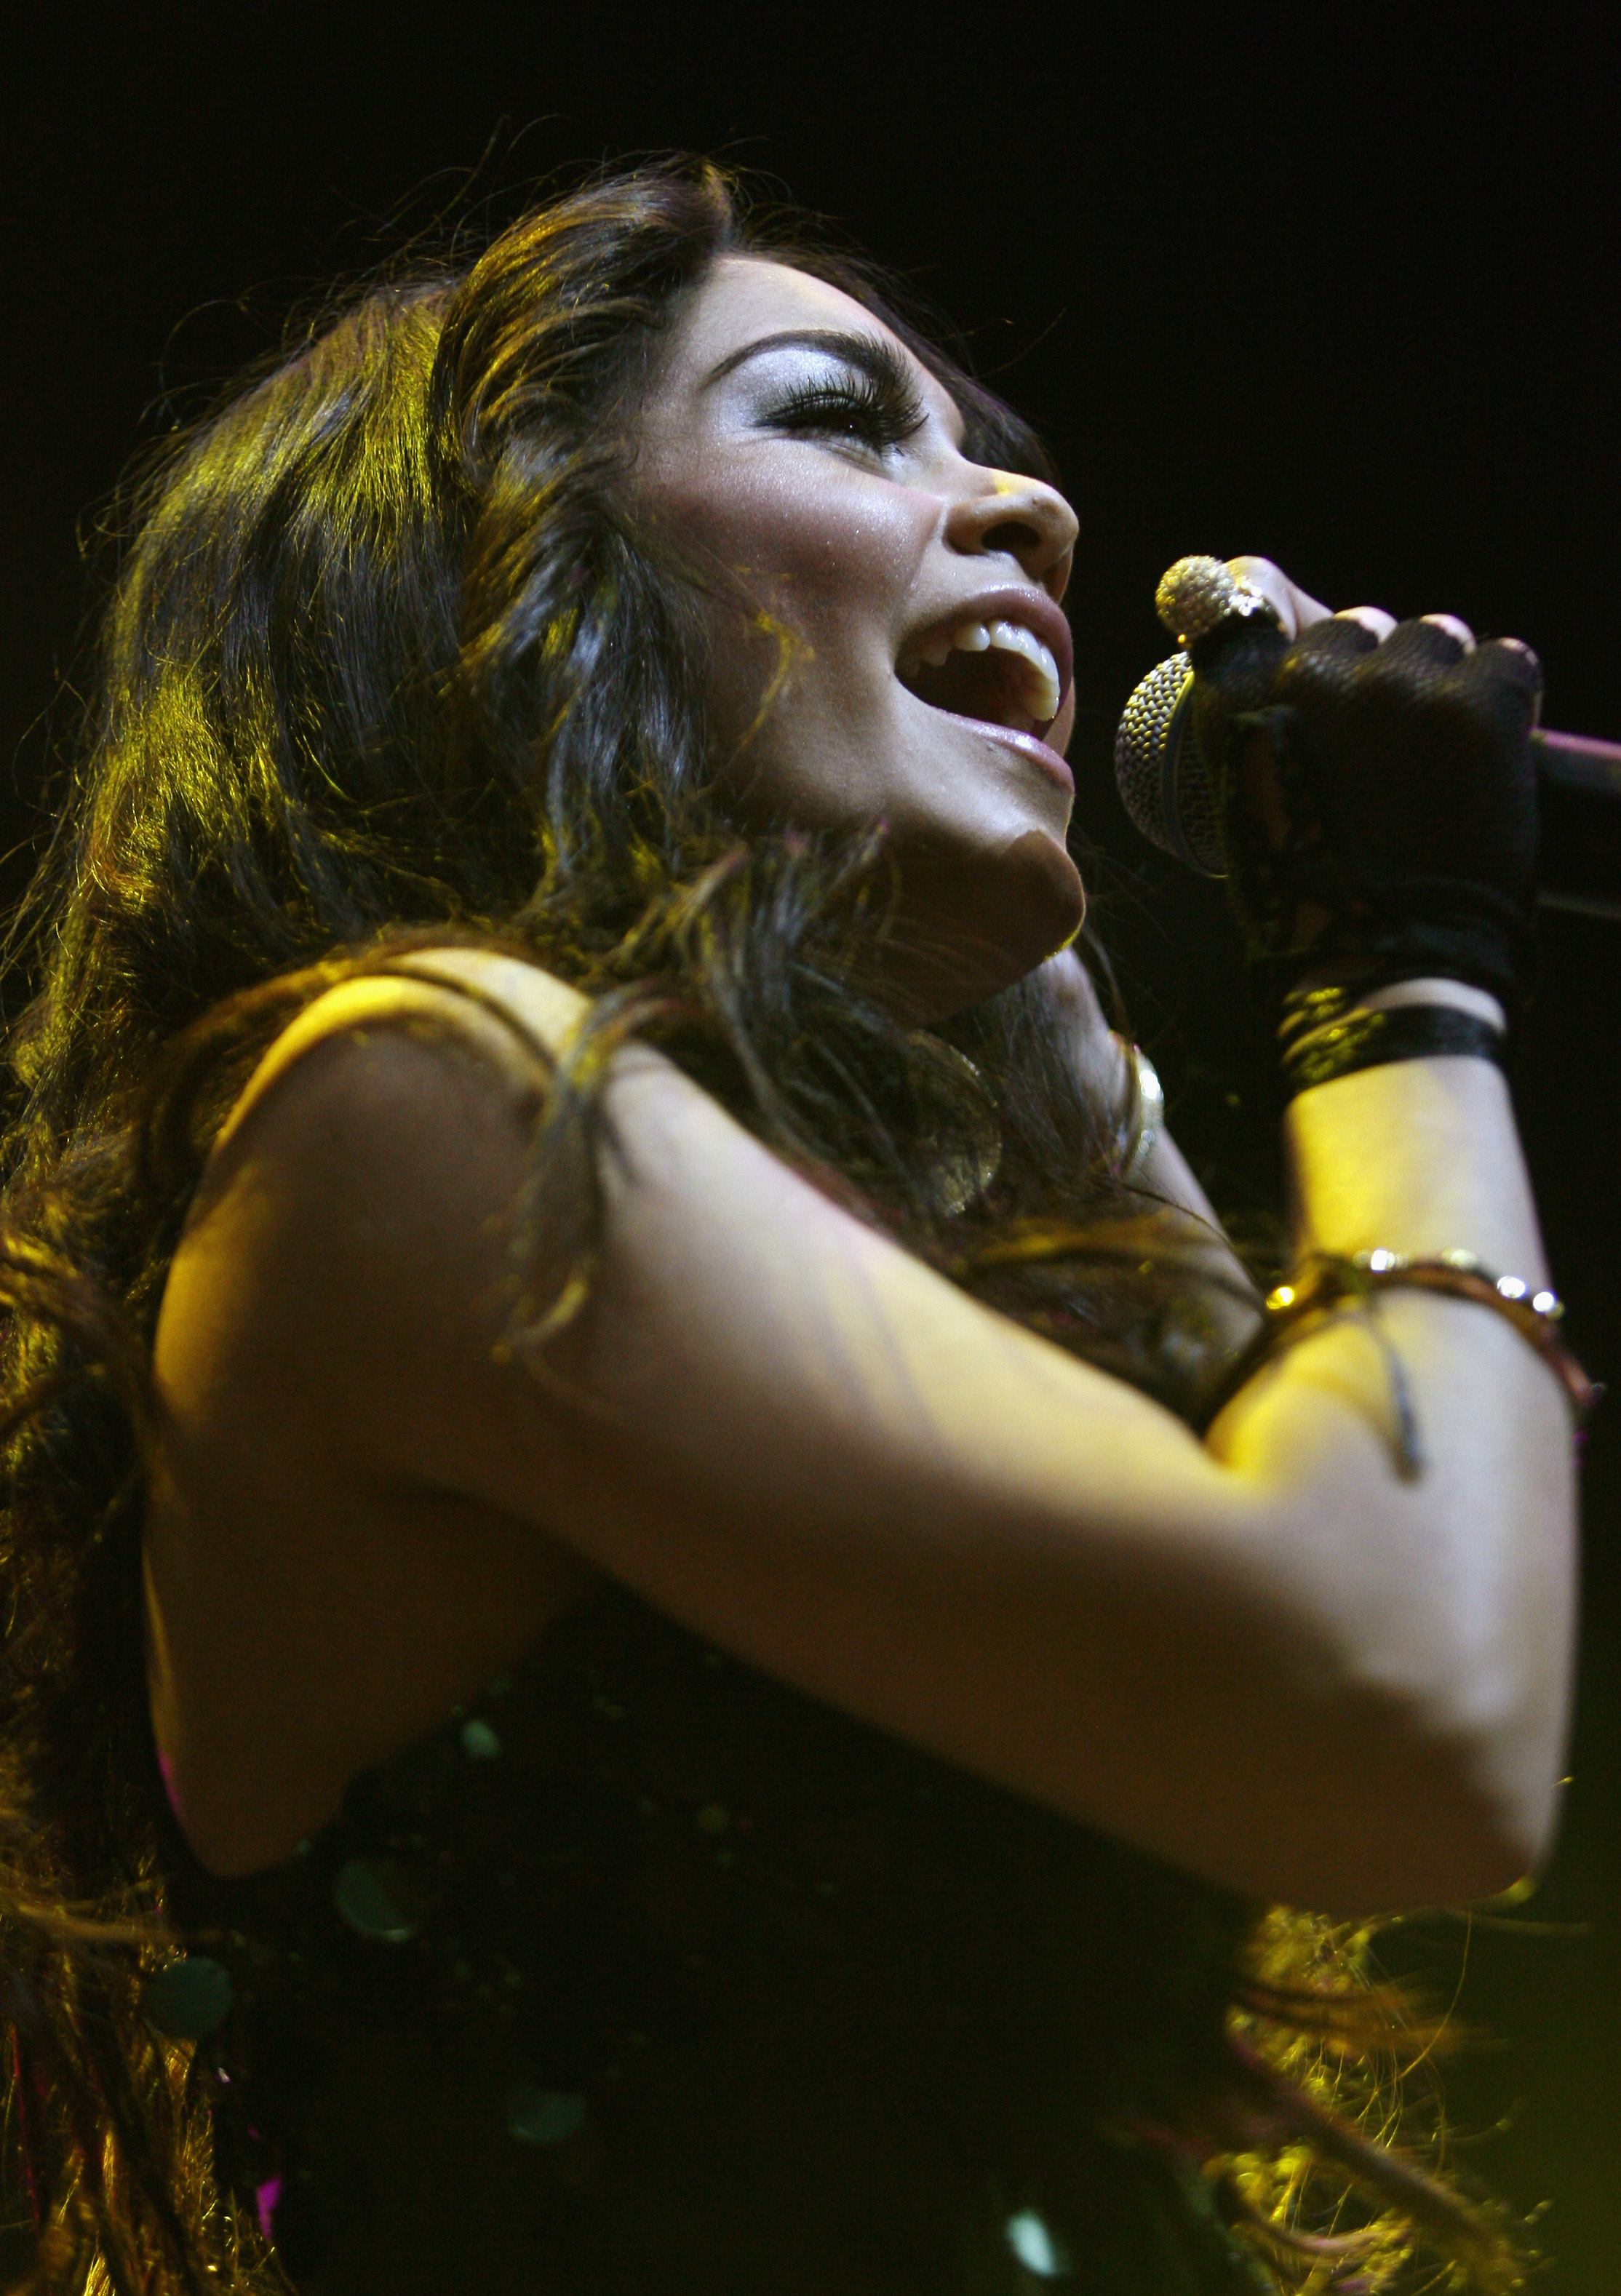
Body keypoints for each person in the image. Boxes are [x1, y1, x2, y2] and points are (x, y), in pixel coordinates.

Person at [0, 162, 1580, 2295]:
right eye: (840, 420)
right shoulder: (412, 1096)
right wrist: (1395, 970)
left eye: (987, 455)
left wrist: (1066, 1068)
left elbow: (1335, 1656)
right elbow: (1402, 1705)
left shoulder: (756, 1175)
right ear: (520, 577)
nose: (1037, 515)